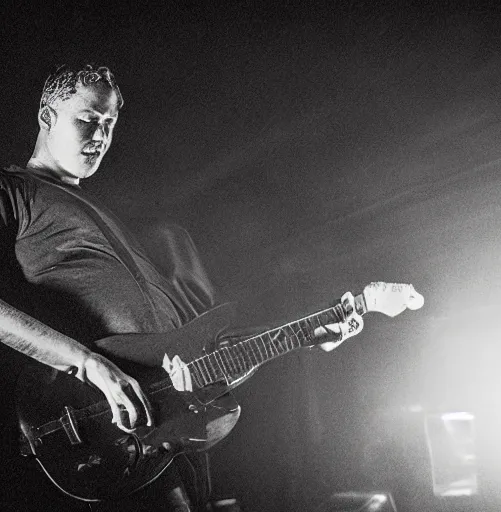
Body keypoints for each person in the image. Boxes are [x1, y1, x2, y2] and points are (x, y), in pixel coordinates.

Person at [0, 64, 413, 512]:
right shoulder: (14, 189)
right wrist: (89, 364)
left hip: (167, 430)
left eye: (110, 124)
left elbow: (197, 348)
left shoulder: (106, 213)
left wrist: (309, 334)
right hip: (97, 423)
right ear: (47, 115)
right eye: (88, 119)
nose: (100, 135)